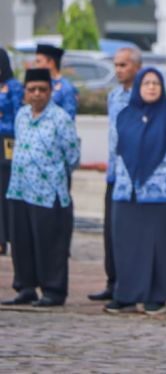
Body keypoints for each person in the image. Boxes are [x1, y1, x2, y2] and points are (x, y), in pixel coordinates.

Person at [107, 68, 166, 315]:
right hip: (128, 191)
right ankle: (125, 294)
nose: (151, 87)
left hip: (160, 193)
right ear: (138, 87)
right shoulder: (124, 116)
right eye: (146, 83)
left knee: (158, 247)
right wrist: (115, 178)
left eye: (156, 83)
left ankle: (156, 295)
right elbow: (114, 149)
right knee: (128, 245)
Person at [2, 68, 79, 307]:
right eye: (32, 89)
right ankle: (25, 287)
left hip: (48, 191)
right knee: (21, 241)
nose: (37, 94)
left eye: (42, 90)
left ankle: (53, 290)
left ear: (50, 92)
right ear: (25, 92)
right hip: (20, 189)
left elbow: (73, 156)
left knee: (50, 243)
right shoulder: (22, 115)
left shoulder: (60, 118)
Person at [88, 47, 141, 302]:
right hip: (114, 173)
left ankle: (129, 283)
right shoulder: (113, 96)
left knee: (131, 233)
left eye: (123, 65)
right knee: (111, 231)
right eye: (116, 65)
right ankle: (112, 280)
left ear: (136, 67)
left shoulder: (144, 95)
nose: (118, 70)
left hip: (135, 176)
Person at [0, 48, 23, 256]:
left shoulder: (14, 87)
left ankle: (6, 236)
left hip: (7, 143)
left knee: (5, 187)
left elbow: (19, 116)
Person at [33, 44, 77, 120]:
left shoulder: (66, 87)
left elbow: (69, 118)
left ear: (51, 63)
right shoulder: (36, 85)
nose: (36, 65)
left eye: (38, 62)